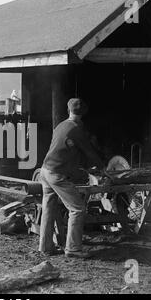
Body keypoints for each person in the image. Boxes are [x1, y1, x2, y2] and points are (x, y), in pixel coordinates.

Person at [39, 98, 105, 259]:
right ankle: (73, 249)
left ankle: (46, 247)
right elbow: (88, 151)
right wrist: (103, 168)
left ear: (68, 110)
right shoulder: (76, 129)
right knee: (77, 209)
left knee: (49, 208)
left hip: (45, 171)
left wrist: (82, 168)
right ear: (84, 113)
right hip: (56, 175)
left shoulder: (61, 125)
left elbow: (66, 150)